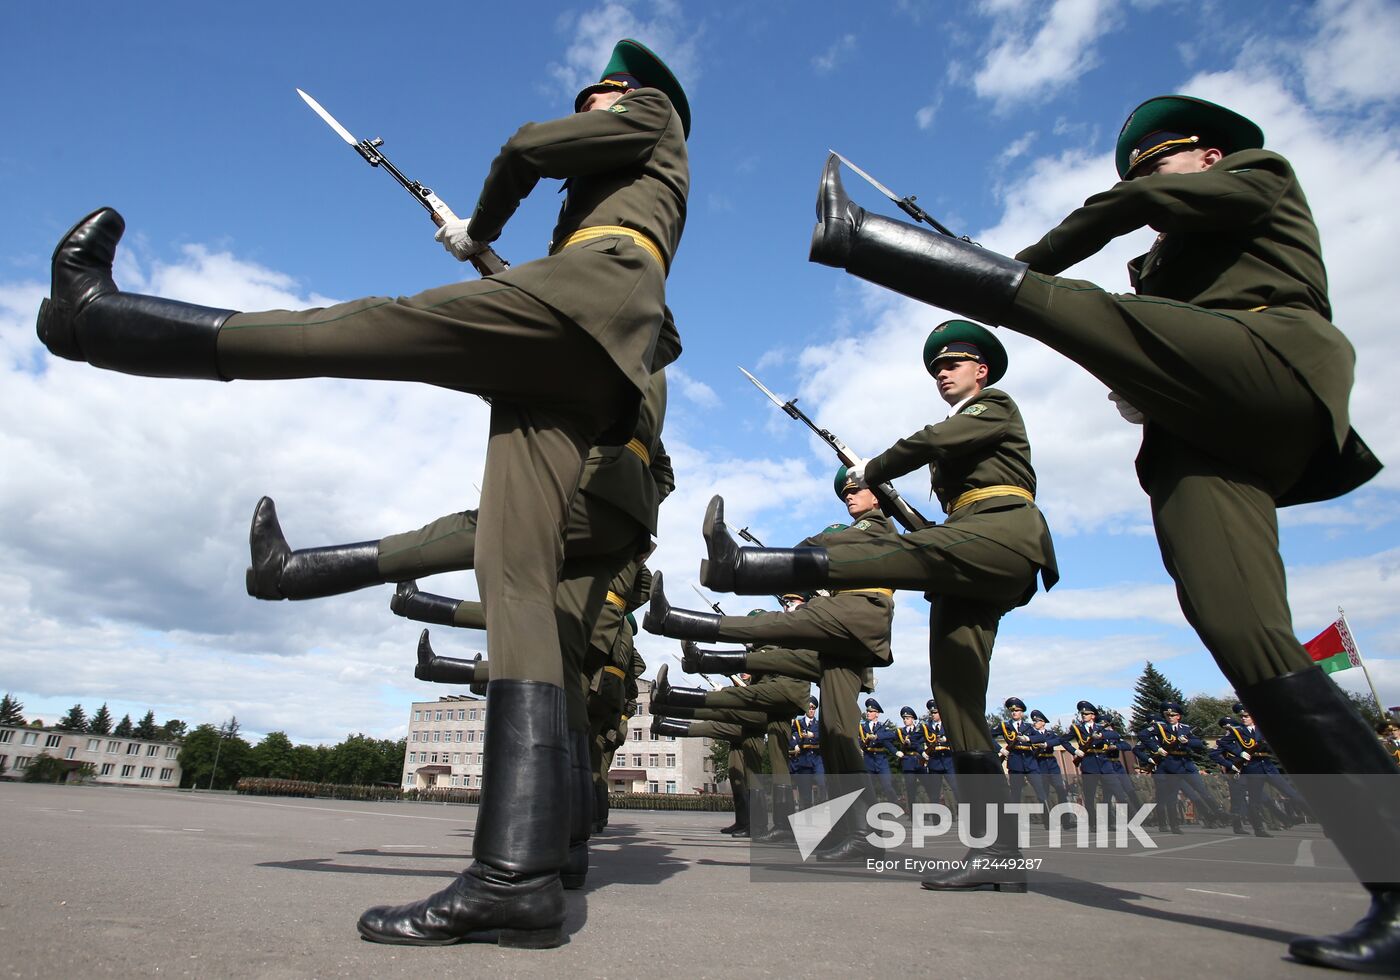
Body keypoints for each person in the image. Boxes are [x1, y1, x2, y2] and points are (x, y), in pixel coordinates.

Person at [36, 38, 690, 950]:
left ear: (633, 98)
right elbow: (538, 295)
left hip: (590, 312)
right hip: (572, 352)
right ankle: (519, 876)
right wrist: (480, 249)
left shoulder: (652, 117)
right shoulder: (600, 218)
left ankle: (98, 322)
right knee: (513, 587)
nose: (590, 108)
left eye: (600, 97)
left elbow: (526, 149)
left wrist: (483, 217)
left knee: (366, 328)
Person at [808, 93, 1398, 970]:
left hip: (1270, 362)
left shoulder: (1259, 178)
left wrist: (1006, 268)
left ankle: (863, 241)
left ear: (1204, 154)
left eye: (1156, 163)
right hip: (1197, 441)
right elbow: (1135, 372)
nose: (1145, 182)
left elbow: (1128, 225)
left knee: (1074, 301)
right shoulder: (1164, 270)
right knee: (1242, 633)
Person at [697, 322, 1057, 890]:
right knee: (957, 702)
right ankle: (997, 853)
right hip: (966, 555)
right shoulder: (966, 429)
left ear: (980, 370)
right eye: (937, 367)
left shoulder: (995, 405)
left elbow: (933, 443)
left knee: (895, 551)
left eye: (953, 365)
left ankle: (742, 567)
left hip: (1003, 532)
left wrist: (873, 469)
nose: (942, 373)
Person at [1143, 702, 1228, 830]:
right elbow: (1142, 737)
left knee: (1202, 791)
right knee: (1170, 797)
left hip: (1186, 764)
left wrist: (1188, 741)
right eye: (1167, 715)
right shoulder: (1160, 728)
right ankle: (1171, 824)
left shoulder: (1185, 728)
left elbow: (1198, 743)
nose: (1170, 717)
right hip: (1170, 766)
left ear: (1179, 716)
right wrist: (1156, 749)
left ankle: (1218, 814)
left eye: (1173, 715)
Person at [997, 697, 1048, 814]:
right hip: (1015, 762)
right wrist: (1000, 749)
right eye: (1012, 711)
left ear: (1022, 712)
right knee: (1015, 793)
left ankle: (1048, 819)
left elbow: (1042, 737)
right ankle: (1013, 822)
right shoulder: (1004, 726)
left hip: (1030, 762)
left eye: (1017, 710)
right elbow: (988, 735)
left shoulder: (1029, 727)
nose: (1015, 713)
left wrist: (1028, 738)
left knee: (1040, 791)